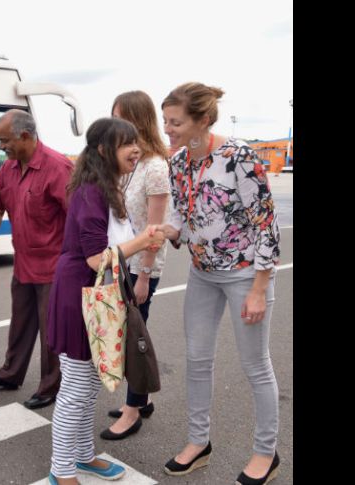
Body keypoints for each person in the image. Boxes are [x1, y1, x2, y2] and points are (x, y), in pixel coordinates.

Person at [158, 82, 281, 484]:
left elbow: (266, 224)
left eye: (175, 122)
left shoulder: (239, 157)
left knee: (255, 365)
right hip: (202, 274)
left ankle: (266, 452)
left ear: (204, 120)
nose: (167, 129)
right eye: (165, 121)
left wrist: (259, 289)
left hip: (246, 274)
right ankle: (199, 442)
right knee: (197, 360)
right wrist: (166, 231)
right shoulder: (179, 162)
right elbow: (182, 216)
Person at [46, 117, 165, 485]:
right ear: (103, 150)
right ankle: (61, 469)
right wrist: (143, 241)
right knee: (76, 390)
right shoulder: (91, 192)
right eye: (126, 143)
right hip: (82, 296)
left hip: (100, 297)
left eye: (136, 142)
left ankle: (83, 455)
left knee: (91, 385)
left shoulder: (108, 187)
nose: (136, 149)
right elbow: (96, 259)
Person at [0, 109, 70, 410]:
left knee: (51, 329)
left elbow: (76, 216)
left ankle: (50, 386)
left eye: (5, 140)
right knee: (20, 322)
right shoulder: (8, 168)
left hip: (54, 265)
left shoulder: (58, 167)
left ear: (25, 136)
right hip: (23, 262)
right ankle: (10, 373)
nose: (1, 146)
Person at [99, 90, 172, 441]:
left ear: (137, 120)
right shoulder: (131, 163)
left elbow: (154, 230)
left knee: (134, 335)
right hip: (124, 259)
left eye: (120, 118)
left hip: (142, 265)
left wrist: (144, 275)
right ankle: (141, 400)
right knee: (128, 331)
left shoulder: (155, 167)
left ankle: (133, 411)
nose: (115, 125)